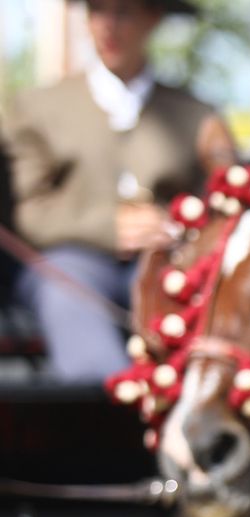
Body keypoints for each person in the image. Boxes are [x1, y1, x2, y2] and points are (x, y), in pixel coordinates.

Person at [2, 0, 232, 381]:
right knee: (66, 291)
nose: (108, 26)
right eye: (97, 11)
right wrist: (109, 226)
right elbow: (26, 213)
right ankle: (108, 410)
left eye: (123, 12)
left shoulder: (195, 114)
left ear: (152, 19)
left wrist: (173, 228)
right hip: (72, 262)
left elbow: (222, 205)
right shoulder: (38, 108)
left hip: (168, 264)